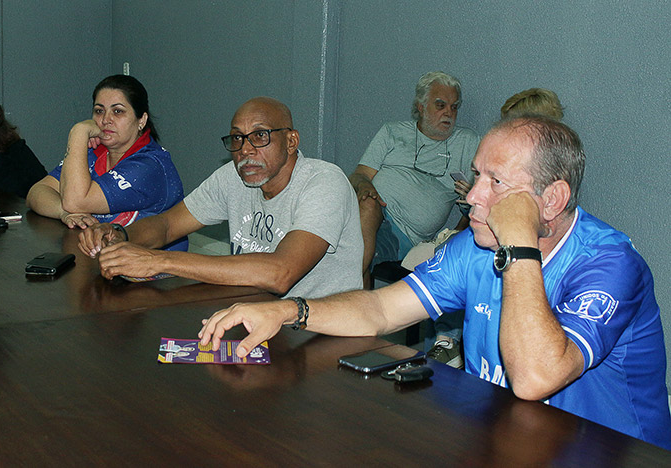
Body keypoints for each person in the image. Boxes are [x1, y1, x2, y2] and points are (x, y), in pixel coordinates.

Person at [199, 115, 671, 449]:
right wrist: (289, 310)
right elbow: (381, 310)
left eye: (497, 183)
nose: (474, 198)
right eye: (476, 176)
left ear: (552, 200)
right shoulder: (476, 246)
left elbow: (536, 378)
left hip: (609, 453)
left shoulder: (611, 265)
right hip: (506, 440)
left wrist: (519, 243)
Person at [77, 97, 363, 299]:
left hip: (320, 329)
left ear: (291, 141)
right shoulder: (234, 175)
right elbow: (167, 225)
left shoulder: (324, 182)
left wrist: (158, 262)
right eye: (237, 138)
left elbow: (281, 273)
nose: (246, 150)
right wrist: (119, 235)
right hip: (254, 312)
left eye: (260, 136)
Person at [350, 71, 480, 366]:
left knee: (354, 242)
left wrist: (469, 196)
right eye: (440, 105)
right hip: (372, 213)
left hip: (402, 234)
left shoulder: (467, 141)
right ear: (420, 107)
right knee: (365, 211)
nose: (449, 113)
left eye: (454, 107)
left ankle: (356, 316)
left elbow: (481, 202)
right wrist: (367, 188)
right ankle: (357, 315)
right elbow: (359, 175)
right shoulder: (392, 132)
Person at [27, 75, 187, 251]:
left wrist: (78, 132)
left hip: (151, 274)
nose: (105, 120)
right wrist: (63, 212)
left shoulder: (150, 165)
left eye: (118, 111)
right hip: (103, 259)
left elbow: (75, 201)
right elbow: (37, 192)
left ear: (141, 120)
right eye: (99, 111)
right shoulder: (94, 152)